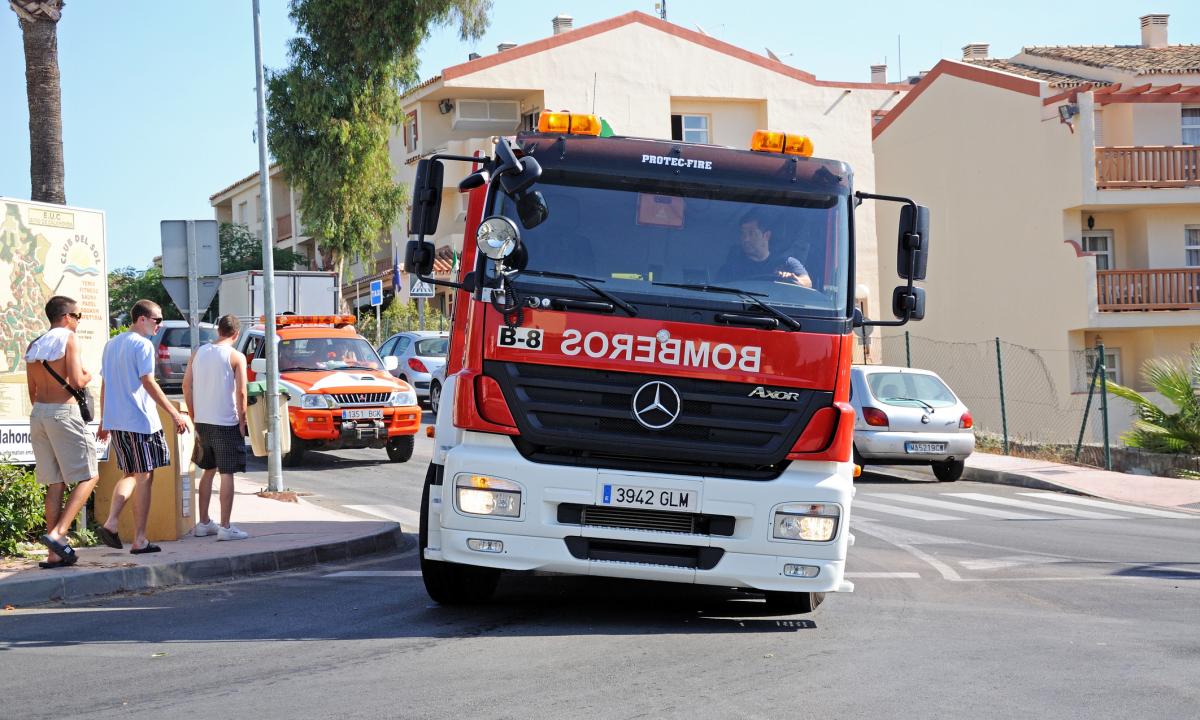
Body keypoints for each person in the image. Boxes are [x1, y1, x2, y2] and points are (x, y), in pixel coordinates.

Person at [96, 299, 191, 554]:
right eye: (157, 319)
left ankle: (112, 522)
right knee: (144, 477)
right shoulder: (143, 345)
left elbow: (105, 385)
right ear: (142, 319)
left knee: (130, 474)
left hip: (117, 421)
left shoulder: (111, 345)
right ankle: (139, 539)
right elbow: (148, 382)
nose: (159, 325)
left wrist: (105, 420)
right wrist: (174, 413)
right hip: (139, 421)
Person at [26, 296, 100, 568]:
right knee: (89, 476)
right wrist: (88, 375)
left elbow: (32, 392)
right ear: (67, 317)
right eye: (78, 316)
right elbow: (78, 381)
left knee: (55, 482)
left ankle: (53, 554)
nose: (79, 321)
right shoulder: (69, 339)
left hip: (40, 414)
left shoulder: (34, 345)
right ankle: (58, 535)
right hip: (63, 412)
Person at [183, 314, 250, 541]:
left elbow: (186, 385)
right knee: (227, 473)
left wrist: (193, 415)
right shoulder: (235, 356)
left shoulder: (199, 353)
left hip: (203, 421)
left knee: (207, 471)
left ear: (218, 330)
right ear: (236, 334)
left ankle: (203, 523)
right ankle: (225, 526)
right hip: (225, 422)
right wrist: (242, 422)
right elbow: (242, 392)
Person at [716, 208, 812, 287]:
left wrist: (794, 279)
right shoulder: (731, 267)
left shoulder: (787, 262)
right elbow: (718, 291)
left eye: (751, 233)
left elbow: (808, 283)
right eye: (743, 233)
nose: (745, 239)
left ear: (766, 236)